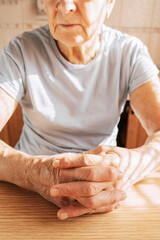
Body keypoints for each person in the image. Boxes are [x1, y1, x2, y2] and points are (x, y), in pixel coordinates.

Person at [0, 0, 160, 221]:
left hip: (106, 193)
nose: (65, 6)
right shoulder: (19, 51)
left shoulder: (129, 53)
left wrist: (131, 166)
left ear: (109, 4)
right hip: (28, 193)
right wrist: (34, 172)